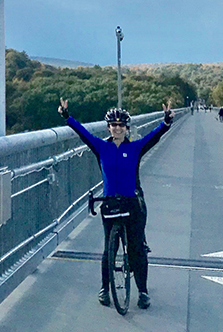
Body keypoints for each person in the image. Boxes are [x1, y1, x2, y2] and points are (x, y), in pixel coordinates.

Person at [57, 97, 174, 310]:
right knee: (108, 250)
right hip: (110, 203)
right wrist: (67, 116)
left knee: (136, 249)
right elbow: (83, 134)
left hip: (132, 204)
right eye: (114, 125)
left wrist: (166, 121)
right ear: (109, 127)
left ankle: (143, 292)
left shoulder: (136, 147)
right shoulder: (102, 147)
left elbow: (154, 136)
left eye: (121, 125)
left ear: (127, 127)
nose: (117, 128)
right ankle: (104, 289)